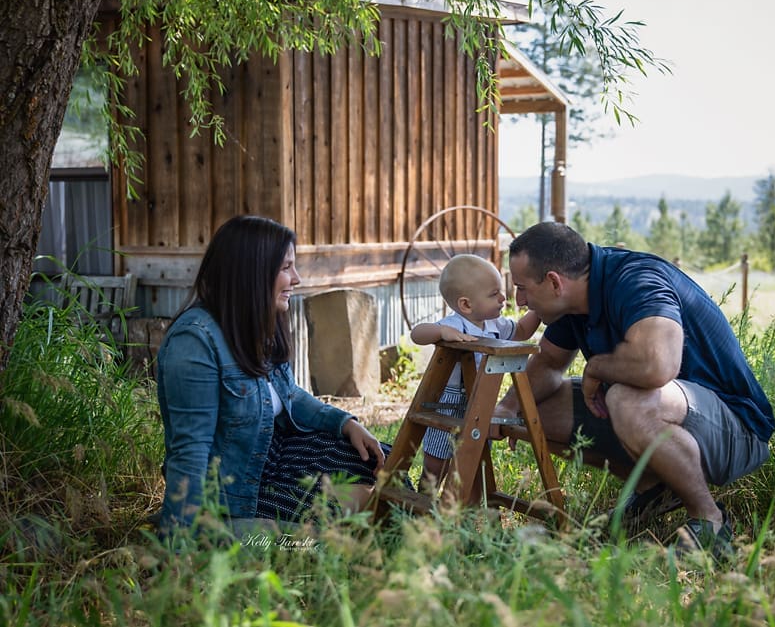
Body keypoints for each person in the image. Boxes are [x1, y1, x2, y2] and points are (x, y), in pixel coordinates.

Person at [493, 222, 774, 561]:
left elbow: (659, 365)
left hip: (735, 428)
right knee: (534, 410)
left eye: (522, 288)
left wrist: (597, 368)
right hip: (672, 414)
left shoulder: (636, 281)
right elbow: (549, 363)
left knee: (626, 399)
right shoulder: (571, 297)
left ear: (554, 282)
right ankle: (654, 488)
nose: (519, 299)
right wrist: (509, 407)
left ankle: (710, 522)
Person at [157, 215, 387, 534]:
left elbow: (287, 394)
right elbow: (191, 449)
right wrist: (177, 539)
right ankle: (238, 535)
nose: (297, 279)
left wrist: (346, 423)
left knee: (382, 463)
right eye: (286, 268)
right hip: (237, 489)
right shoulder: (195, 342)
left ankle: (368, 517)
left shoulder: (255, 322)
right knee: (325, 531)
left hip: (275, 452)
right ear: (251, 274)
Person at [410, 253, 540, 494]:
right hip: (449, 401)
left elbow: (521, 330)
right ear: (466, 305)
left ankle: (466, 511)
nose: (503, 298)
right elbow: (417, 333)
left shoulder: (495, 325)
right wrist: (441, 331)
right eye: (494, 294)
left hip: (480, 400)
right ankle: (423, 504)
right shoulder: (457, 323)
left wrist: (540, 309)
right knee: (435, 462)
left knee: (472, 460)